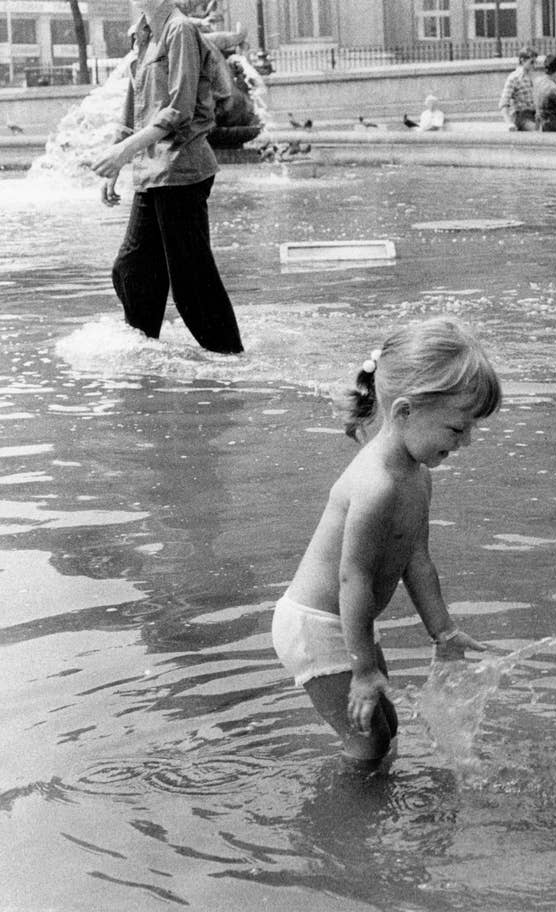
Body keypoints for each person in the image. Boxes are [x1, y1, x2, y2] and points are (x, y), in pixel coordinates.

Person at [272, 318, 500, 767]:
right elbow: (352, 578)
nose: (467, 442)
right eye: (457, 430)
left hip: (348, 620)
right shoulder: (376, 485)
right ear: (403, 412)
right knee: (368, 741)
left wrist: (443, 632)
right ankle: (342, 828)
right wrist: (362, 669)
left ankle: (369, 811)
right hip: (318, 623)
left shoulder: (416, 476)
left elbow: (417, 560)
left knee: (385, 727)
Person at [91, 0, 243, 354]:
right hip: (151, 172)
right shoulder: (142, 34)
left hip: (182, 169)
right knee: (131, 269)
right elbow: (135, 102)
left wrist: (124, 151)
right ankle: (145, 353)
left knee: (192, 283)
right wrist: (118, 159)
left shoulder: (180, 30)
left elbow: (179, 109)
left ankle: (232, 363)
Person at [498, 47, 539, 131]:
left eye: (535, 62)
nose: (534, 66)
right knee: (536, 130)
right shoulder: (514, 78)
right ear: (522, 60)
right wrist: (509, 123)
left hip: (535, 114)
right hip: (521, 116)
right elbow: (503, 103)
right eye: (531, 62)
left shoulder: (532, 77)